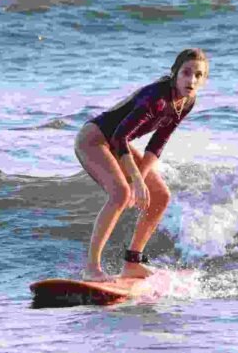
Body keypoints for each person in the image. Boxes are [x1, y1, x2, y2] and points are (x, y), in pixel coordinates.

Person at [74, 48, 209, 281]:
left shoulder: (187, 101)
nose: (191, 80)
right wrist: (136, 180)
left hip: (117, 143)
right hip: (94, 139)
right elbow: (120, 137)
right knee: (121, 193)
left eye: (198, 75)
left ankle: (132, 262)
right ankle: (91, 268)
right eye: (186, 73)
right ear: (175, 73)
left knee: (160, 195)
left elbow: (158, 142)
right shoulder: (155, 100)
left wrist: (143, 177)